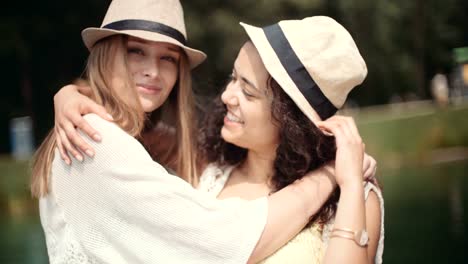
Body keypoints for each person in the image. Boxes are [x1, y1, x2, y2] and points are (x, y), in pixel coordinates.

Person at [31, 1, 352, 263]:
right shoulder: (93, 140)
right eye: (136, 51)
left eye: (167, 58)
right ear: (105, 53)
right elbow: (222, 244)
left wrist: (72, 93)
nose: (153, 71)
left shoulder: (128, 138)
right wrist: (329, 174)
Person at [197, 17, 384, 263]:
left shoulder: (354, 198)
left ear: (290, 120)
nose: (226, 96)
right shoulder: (208, 176)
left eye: (248, 92)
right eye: (233, 78)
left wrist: (349, 186)